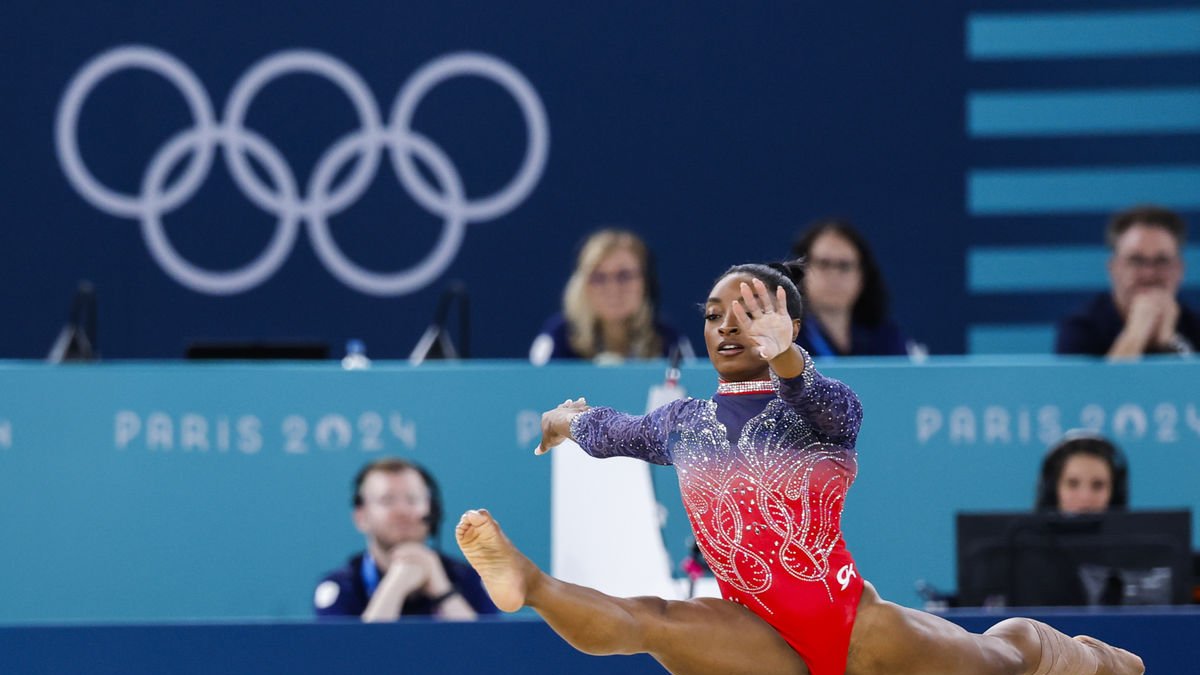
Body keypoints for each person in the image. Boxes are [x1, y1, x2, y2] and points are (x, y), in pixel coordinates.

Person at [457, 262, 1143, 674]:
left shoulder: (818, 410)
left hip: (855, 627)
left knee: (1008, 662)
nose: (728, 324)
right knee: (652, 618)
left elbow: (825, 400)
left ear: (784, 317)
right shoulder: (682, 421)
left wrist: (788, 357)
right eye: (715, 313)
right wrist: (565, 421)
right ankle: (531, 582)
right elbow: (611, 431)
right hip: (751, 626)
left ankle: (1089, 657)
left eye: (748, 311)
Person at [313, 457, 497, 621]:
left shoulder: (468, 579)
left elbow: (490, 651)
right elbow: (354, 655)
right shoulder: (340, 587)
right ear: (361, 517)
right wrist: (396, 584)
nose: (402, 511)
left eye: (413, 499)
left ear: (432, 511)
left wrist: (442, 590)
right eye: (387, 500)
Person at [530, 228, 693, 365]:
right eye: (599, 277)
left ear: (646, 283)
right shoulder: (558, 337)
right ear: (581, 286)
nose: (613, 288)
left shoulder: (669, 340)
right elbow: (532, 394)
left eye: (624, 276)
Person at [1056, 205, 1199, 359]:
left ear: (1179, 269)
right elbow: (1086, 384)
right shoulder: (1081, 328)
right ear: (1113, 268)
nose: (1148, 273)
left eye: (1162, 261)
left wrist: (1170, 341)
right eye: (1136, 260)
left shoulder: (1195, 325)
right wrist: (1135, 334)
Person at [789, 218, 907, 357]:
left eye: (844, 266)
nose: (834, 275)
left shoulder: (885, 337)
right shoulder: (788, 338)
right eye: (824, 264)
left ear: (862, 276)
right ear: (802, 272)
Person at [1035, 430, 1129, 514]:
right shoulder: (1024, 533)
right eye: (1073, 484)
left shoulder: (1137, 533)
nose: (1085, 497)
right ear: (1053, 490)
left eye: (1098, 485)